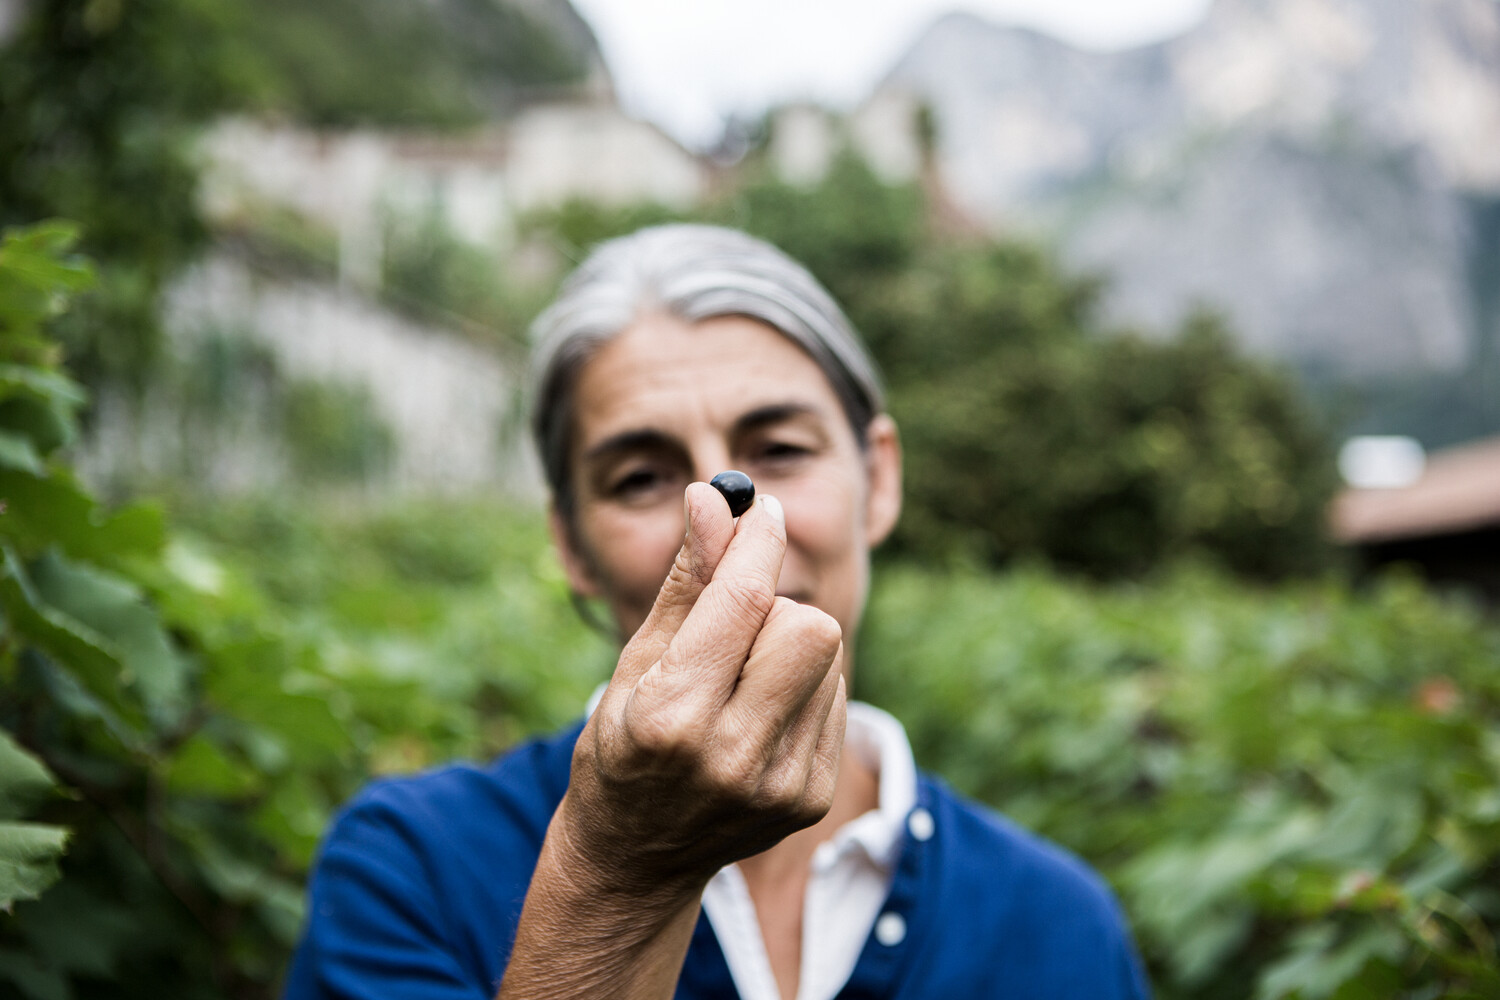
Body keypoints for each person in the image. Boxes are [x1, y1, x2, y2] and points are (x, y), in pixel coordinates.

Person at [283, 224, 1152, 1000]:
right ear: (572, 546)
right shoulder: (411, 873)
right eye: (640, 478)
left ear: (878, 480)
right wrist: (620, 875)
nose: (724, 520)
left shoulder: (1058, 928)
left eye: (779, 450)